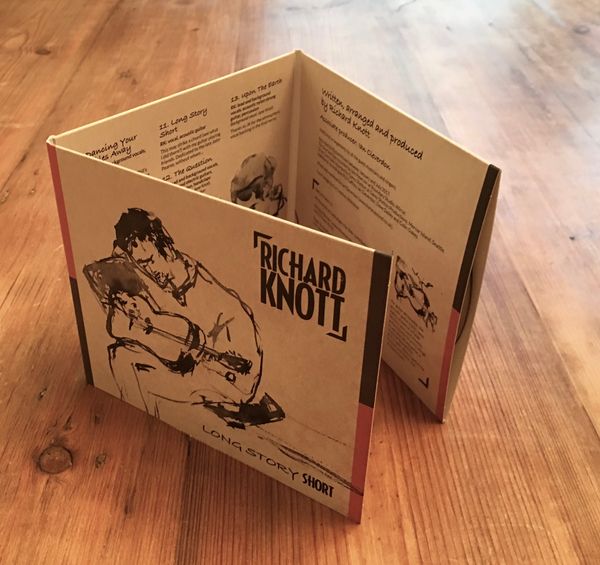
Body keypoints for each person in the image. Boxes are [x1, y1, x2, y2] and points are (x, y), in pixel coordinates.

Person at [83, 208, 284, 428]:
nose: (149, 270)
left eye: (149, 261)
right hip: (210, 366)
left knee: (122, 356)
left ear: (166, 248)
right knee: (125, 349)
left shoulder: (194, 286)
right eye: (141, 265)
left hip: (232, 376)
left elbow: (201, 347)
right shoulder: (169, 276)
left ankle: (143, 426)